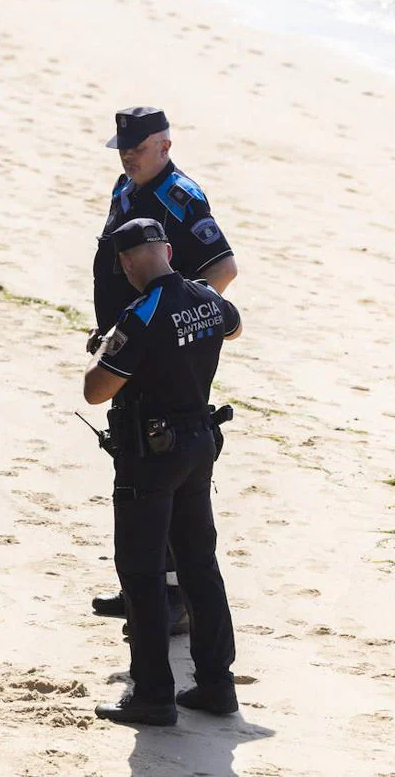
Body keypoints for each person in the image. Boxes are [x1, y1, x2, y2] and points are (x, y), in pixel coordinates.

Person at [84, 218, 243, 726]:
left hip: (151, 453)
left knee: (141, 572)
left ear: (128, 263)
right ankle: (218, 684)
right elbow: (234, 325)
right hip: (198, 442)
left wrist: (107, 344)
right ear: (169, 250)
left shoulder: (140, 314)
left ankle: (153, 693)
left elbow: (95, 389)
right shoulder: (205, 297)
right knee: (199, 564)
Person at [88, 106, 239, 631]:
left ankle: (170, 602)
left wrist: (174, 328)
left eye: (137, 148)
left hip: (160, 352)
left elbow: (223, 268)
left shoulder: (182, 196)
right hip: (128, 344)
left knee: (162, 464)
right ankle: (142, 587)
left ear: (165, 147)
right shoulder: (126, 188)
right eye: (123, 149)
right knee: (134, 457)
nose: (128, 156)